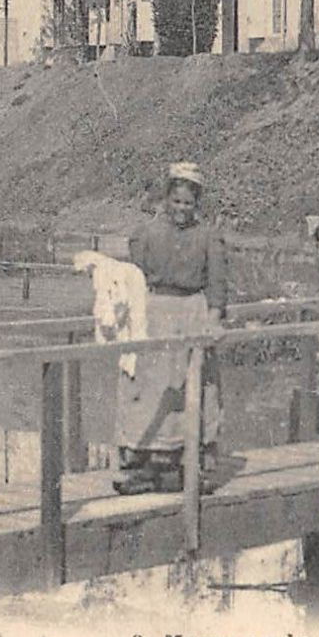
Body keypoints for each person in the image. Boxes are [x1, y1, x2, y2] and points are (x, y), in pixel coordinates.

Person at [113, 161, 227, 495]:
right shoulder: (146, 233)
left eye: (188, 203)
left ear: (197, 204)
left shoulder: (208, 237)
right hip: (153, 314)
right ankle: (144, 465)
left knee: (192, 387)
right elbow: (133, 279)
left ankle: (192, 464)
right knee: (147, 390)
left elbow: (218, 285)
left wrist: (214, 319)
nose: (181, 209)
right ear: (166, 199)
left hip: (191, 312)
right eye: (176, 202)